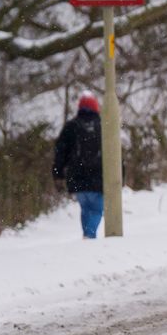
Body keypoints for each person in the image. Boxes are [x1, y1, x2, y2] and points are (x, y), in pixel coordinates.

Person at [52, 92, 105, 239]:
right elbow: (114, 152)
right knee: (96, 209)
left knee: (86, 208)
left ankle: (87, 235)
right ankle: (89, 235)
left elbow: (60, 151)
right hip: (98, 176)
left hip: (77, 176)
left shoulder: (71, 126)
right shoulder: (102, 126)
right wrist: (120, 175)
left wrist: (58, 173)